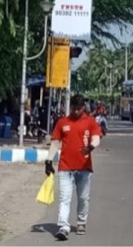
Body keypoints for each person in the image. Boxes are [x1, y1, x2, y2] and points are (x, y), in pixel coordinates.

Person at [44, 94, 102, 241]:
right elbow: (55, 142)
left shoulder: (90, 122)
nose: (76, 111)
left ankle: (81, 222)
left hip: (84, 167)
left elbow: (96, 137)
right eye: (74, 108)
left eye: (79, 108)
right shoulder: (62, 122)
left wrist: (90, 147)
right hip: (65, 167)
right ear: (71, 108)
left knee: (83, 198)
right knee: (64, 198)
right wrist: (49, 161)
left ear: (84, 107)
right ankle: (63, 227)